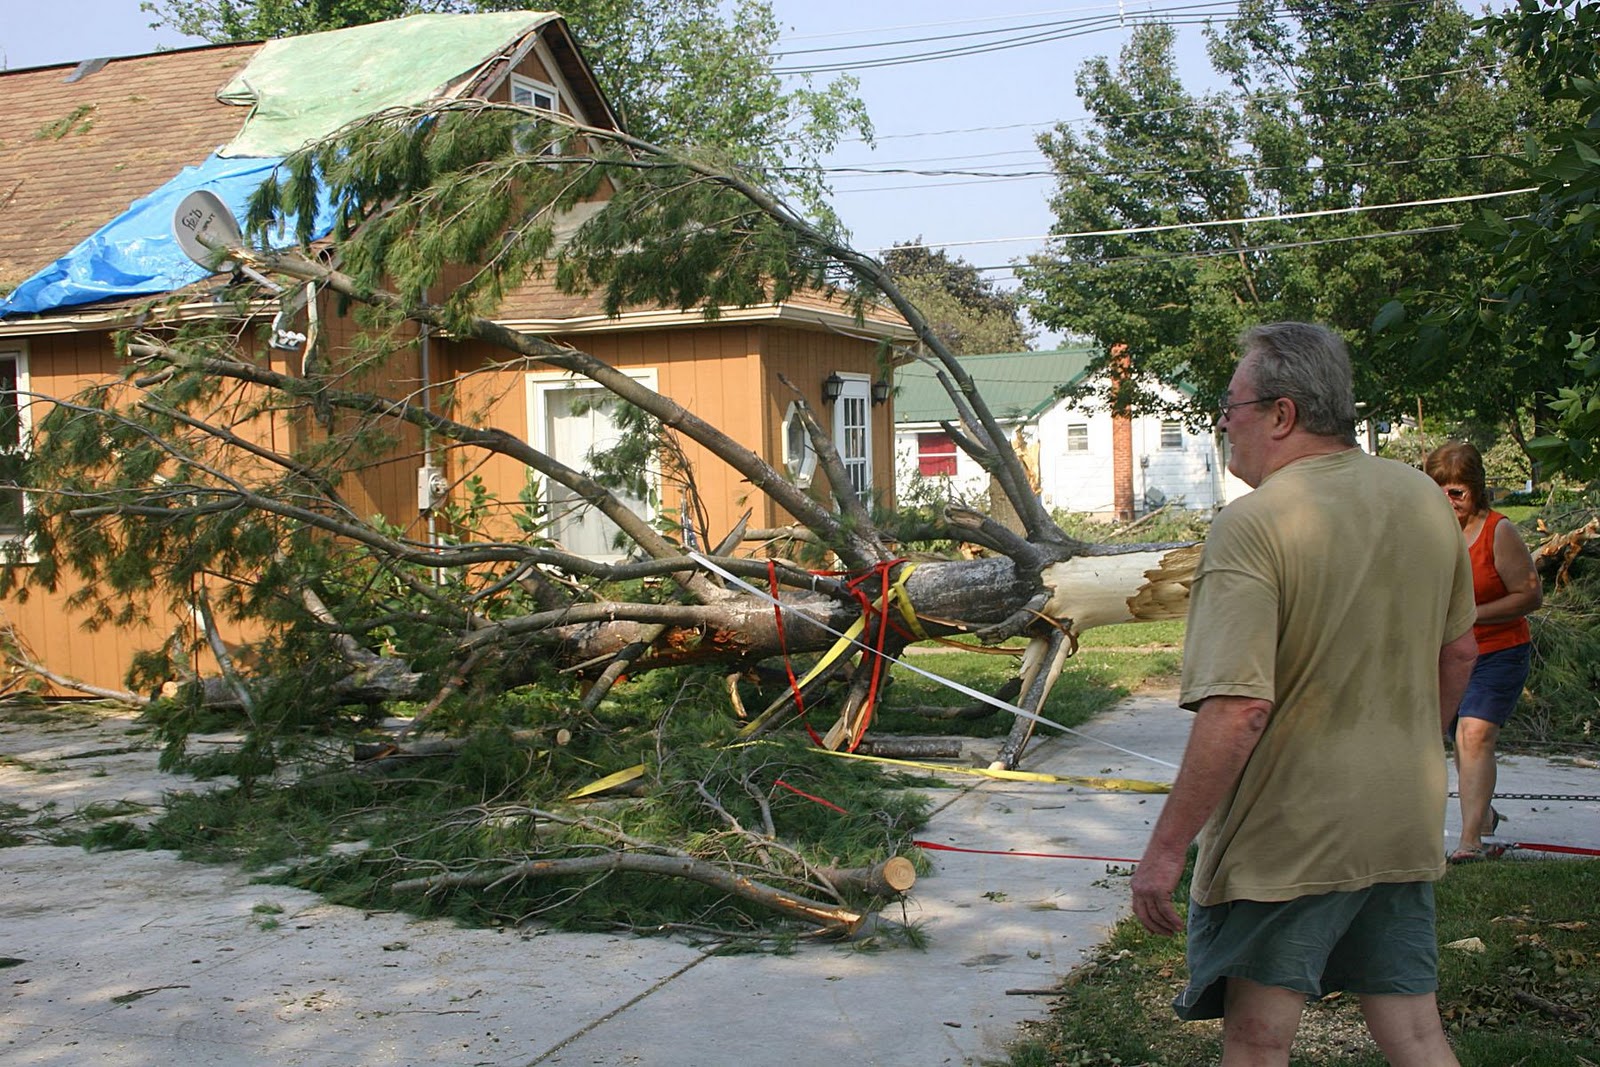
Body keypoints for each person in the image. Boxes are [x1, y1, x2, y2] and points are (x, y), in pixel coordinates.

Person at [1130, 322, 1478, 1067]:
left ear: (1282, 414)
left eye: (1231, 405)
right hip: (1402, 818)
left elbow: (1238, 707)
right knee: (1416, 1031)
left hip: (1286, 837)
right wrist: (1411, 745)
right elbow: (1459, 651)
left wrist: (1164, 852)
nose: (1224, 423)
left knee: (1259, 1040)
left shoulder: (1252, 525)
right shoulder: (1423, 497)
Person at [1423, 441, 1542, 864]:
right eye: (1437, 491)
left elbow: (1529, 596)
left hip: (1498, 653)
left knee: (1473, 735)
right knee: (1451, 738)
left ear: (1476, 489)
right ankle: (1484, 811)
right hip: (1445, 655)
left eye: (1456, 492)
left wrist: (1468, 617)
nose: (1448, 501)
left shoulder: (1498, 531)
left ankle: (1470, 842)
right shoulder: (1426, 531)